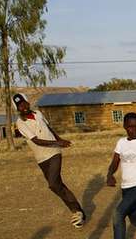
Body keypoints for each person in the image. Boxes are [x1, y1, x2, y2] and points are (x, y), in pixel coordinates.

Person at [13, 93, 86, 228]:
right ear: (17, 108)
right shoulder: (20, 123)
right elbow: (36, 140)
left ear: (28, 102)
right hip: (41, 158)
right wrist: (58, 143)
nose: (22, 106)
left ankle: (76, 211)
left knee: (53, 184)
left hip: (54, 153)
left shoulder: (38, 114)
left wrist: (59, 141)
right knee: (57, 184)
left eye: (23, 103)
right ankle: (78, 212)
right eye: (19, 105)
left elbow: (49, 129)